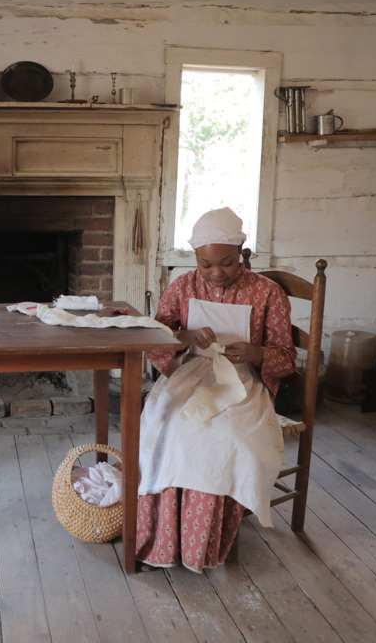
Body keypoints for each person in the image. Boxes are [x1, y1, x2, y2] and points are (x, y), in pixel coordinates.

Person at [136, 207, 296, 572]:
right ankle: (163, 539)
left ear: (242, 253)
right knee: (167, 423)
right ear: (195, 258)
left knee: (222, 435)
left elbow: (286, 357)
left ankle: (202, 545)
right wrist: (185, 336)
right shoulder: (182, 286)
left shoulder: (267, 292)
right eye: (205, 264)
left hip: (243, 381)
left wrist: (256, 353)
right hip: (189, 373)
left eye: (226, 263)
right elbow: (155, 335)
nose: (216, 273)